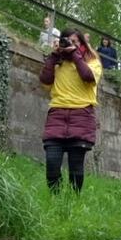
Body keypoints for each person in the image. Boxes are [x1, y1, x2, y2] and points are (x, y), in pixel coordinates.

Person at [39, 28, 99, 193]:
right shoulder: (58, 62)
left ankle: (73, 201)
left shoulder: (92, 62)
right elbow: (44, 81)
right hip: (57, 114)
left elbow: (88, 77)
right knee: (52, 163)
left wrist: (75, 55)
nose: (71, 45)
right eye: (67, 41)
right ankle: (55, 200)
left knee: (76, 167)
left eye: (75, 42)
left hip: (82, 115)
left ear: (82, 44)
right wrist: (53, 57)